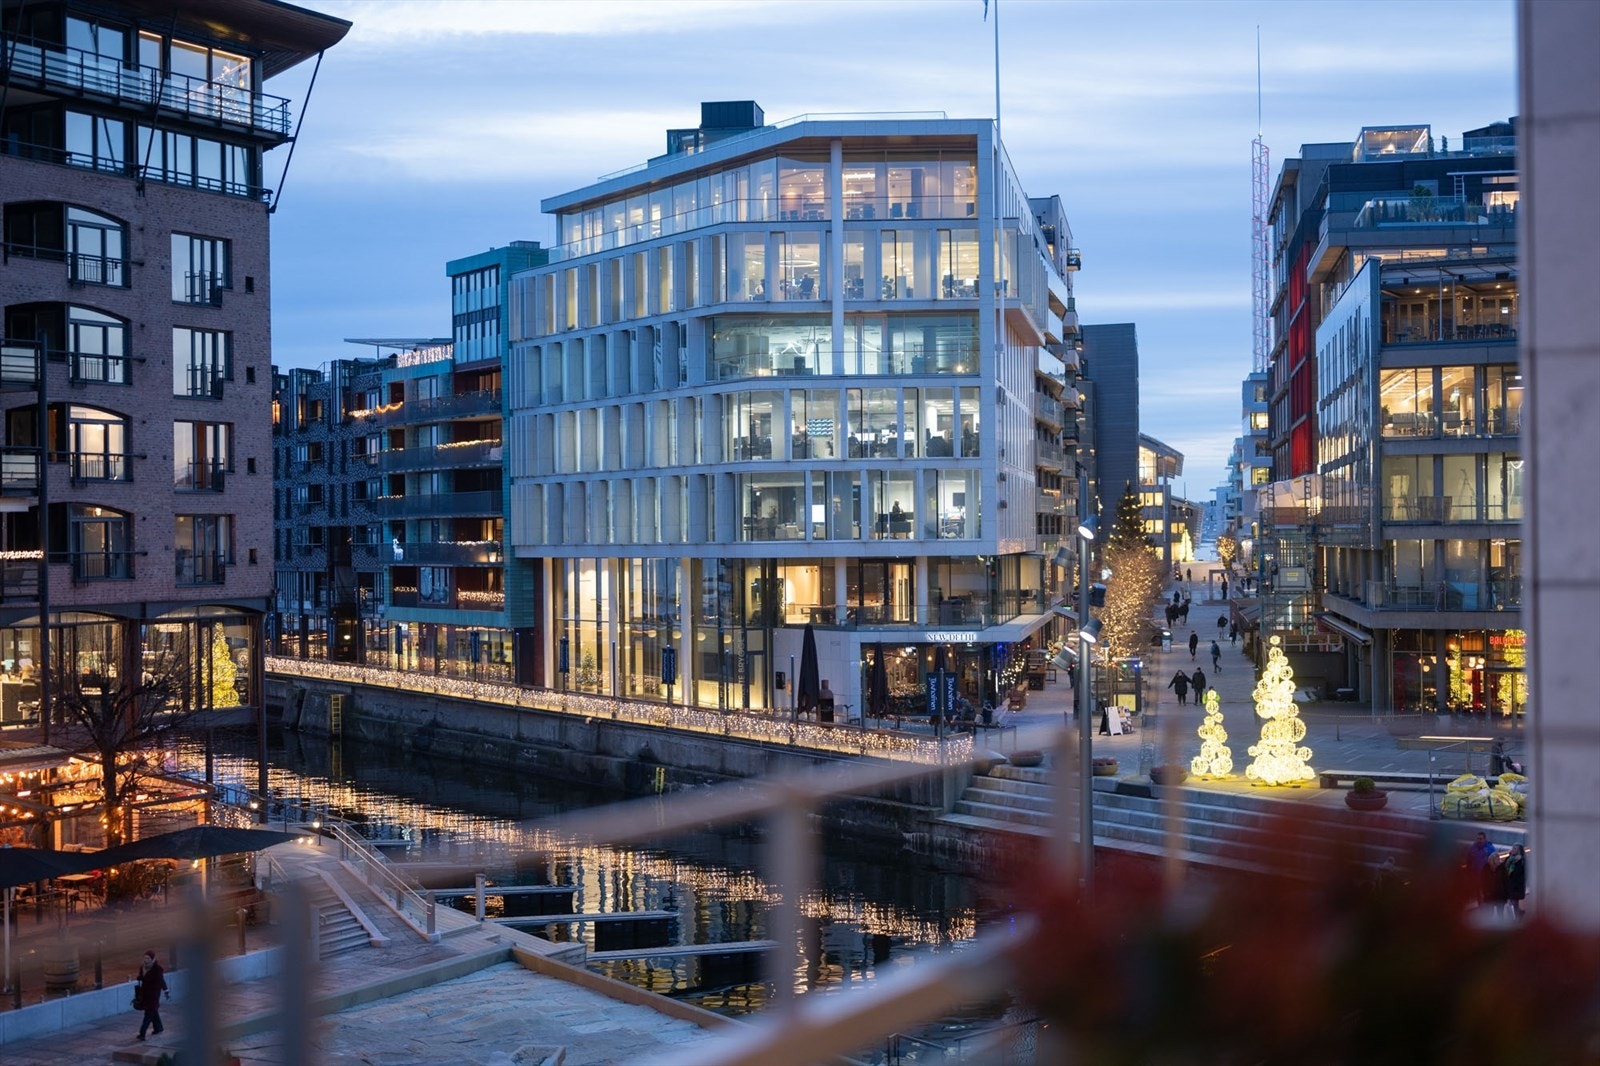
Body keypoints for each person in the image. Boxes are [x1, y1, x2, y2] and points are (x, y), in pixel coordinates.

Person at [134, 949, 168, 1040]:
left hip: (154, 994)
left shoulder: (157, 969)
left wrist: (166, 990)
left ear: (152, 959)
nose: (146, 960)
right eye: (145, 958)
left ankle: (142, 1033)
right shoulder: (142, 967)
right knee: (153, 1011)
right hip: (145, 993)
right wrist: (140, 978)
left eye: (148, 958)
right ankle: (158, 1028)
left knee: (148, 1013)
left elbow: (161, 980)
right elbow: (142, 977)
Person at [1501, 844, 1528, 918]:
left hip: (1517, 885)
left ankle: (1516, 917)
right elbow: (1503, 868)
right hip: (1509, 884)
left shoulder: (1521, 861)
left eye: (1515, 848)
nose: (1512, 850)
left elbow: (1519, 873)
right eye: (1512, 848)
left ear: (1519, 851)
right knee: (1513, 902)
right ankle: (1519, 913)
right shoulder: (1508, 859)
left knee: (1514, 901)